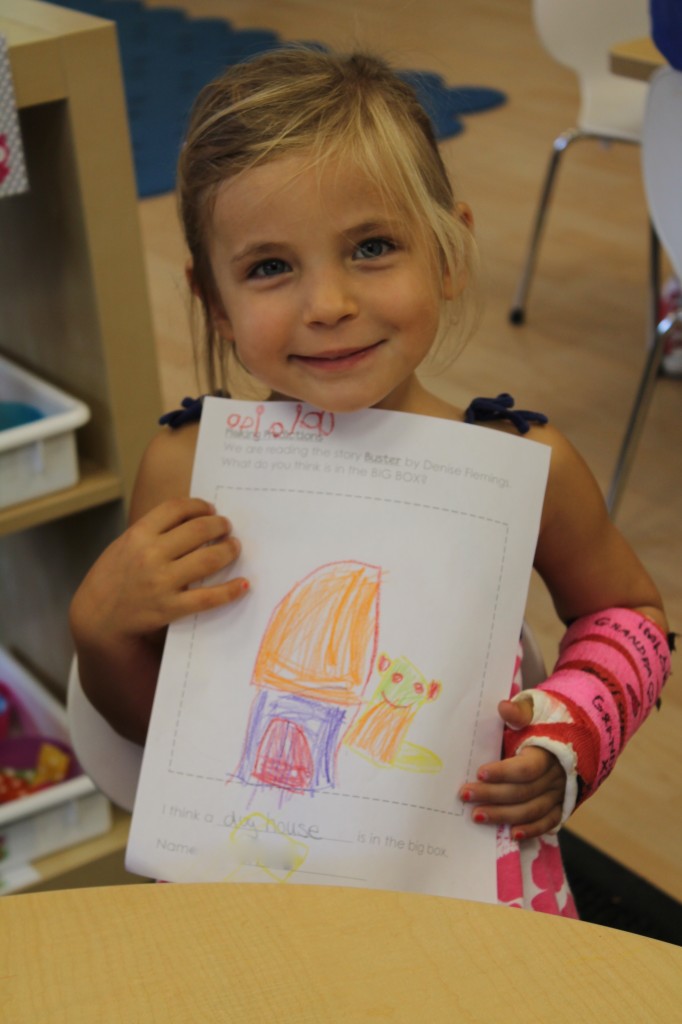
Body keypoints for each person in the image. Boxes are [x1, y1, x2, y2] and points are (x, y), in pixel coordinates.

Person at [68, 48, 672, 915]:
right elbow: (170, 734)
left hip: (474, 918)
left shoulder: (527, 463)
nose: (328, 305)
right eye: (270, 267)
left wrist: (572, 732)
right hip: (246, 913)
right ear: (214, 301)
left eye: (373, 248)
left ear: (449, 252)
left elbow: (631, 618)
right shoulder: (186, 471)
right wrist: (101, 631)